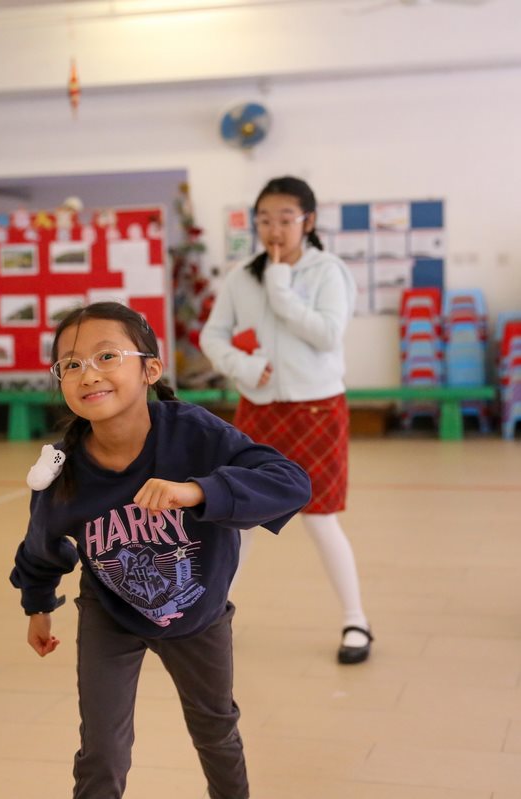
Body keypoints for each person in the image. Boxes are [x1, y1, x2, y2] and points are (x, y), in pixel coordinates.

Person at [10, 301, 310, 799]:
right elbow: (42, 544)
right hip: (110, 612)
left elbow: (290, 482)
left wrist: (198, 491)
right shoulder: (61, 471)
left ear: (151, 369)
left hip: (198, 611)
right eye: (72, 364)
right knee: (102, 751)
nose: (89, 374)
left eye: (107, 356)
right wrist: (37, 606)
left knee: (216, 730)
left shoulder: (193, 432)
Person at [199, 176, 373, 664]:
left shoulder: (328, 272)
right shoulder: (241, 276)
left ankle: (356, 620)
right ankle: (210, 617)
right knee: (240, 519)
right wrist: (244, 366)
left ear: (308, 222)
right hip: (257, 408)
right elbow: (213, 336)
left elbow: (327, 334)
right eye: (264, 220)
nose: (273, 230)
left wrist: (280, 288)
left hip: (317, 408)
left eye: (285, 219)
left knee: (320, 518)